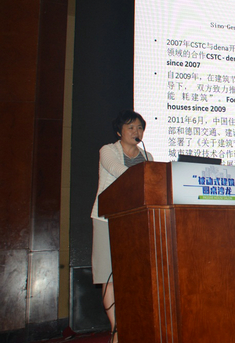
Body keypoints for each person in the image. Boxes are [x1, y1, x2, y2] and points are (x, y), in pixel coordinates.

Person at [91, 110, 153, 342]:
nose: (137, 132)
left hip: (136, 223)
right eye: (131, 127)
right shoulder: (108, 150)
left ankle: (134, 325)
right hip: (107, 220)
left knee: (134, 275)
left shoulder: (147, 156)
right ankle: (117, 329)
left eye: (140, 127)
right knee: (109, 276)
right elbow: (118, 171)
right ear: (119, 132)